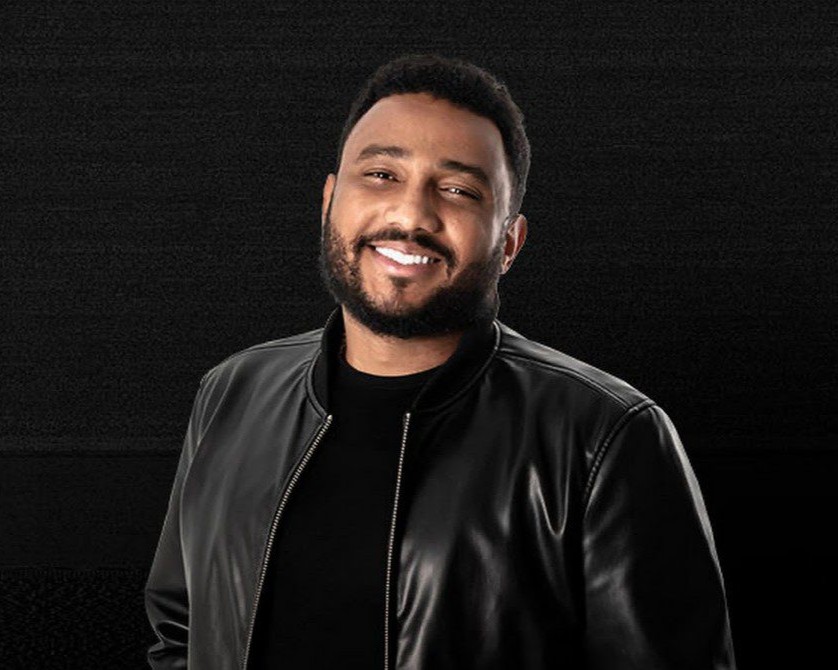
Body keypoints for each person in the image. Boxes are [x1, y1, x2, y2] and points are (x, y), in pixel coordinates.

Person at [145, 53, 736, 669]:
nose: (411, 216)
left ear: (508, 243)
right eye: (381, 175)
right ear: (329, 200)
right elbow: (179, 630)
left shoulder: (605, 436)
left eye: (457, 190)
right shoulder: (232, 391)